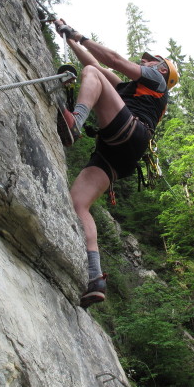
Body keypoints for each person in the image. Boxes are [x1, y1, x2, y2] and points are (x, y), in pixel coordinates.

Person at [53, 19, 179, 308]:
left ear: (161, 69)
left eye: (152, 59)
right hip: (120, 153)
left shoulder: (156, 80)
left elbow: (113, 60)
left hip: (130, 132)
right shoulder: (131, 90)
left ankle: (76, 123)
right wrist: (69, 38)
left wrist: (80, 35)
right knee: (78, 204)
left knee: (90, 75)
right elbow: (99, 67)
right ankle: (94, 277)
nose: (145, 59)